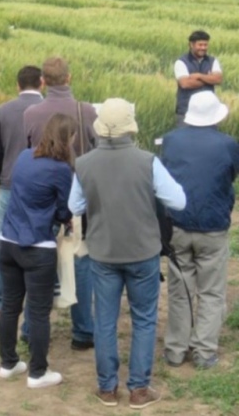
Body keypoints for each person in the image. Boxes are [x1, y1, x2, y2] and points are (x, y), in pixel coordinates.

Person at [69, 98, 186, 409]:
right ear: (129, 127)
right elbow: (178, 201)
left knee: (104, 320)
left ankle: (107, 388)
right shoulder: (148, 161)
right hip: (142, 251)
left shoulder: (84, 163)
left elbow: (74, 207)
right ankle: (138, 389)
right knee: (144, 319)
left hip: (103, 252)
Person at [161, 91, 239, 370]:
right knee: (211, 291)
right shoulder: (228, 144)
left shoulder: (170, 140)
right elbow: (230, 176)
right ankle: (204, 352)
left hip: (178, 225)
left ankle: (175, 350)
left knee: (180, 289)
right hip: (213, 226)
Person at [23, 56, 97, 351]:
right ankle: (83, 332)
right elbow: (95, 151)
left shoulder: (31, 113)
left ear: (43, 81)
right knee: (80, 258)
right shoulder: (87, 111)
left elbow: (27, 151)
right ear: (69, 78)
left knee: (39, 261)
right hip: (76, 194)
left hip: (40, 197)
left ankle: (30, 329)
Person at [0, 113, 75, 389]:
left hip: (8, 241)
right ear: (69, 139)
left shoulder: (24, 156)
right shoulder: (62, 169)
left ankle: (8, 363)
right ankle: (37, 372)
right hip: (38, 247)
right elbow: (66, 209)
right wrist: (61, 218)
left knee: (10, 305)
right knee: (39, 312)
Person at [0, 66, 44, 314]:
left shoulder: (3, 110)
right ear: (41, 83)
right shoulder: (48, 111)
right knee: (41, 240)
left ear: (17, 85)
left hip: (9, 183)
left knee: (1, 239)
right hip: (42, 185)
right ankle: (38, 298)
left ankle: (0, 299)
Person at [174, 30, 222, 125]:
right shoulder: (181, 62)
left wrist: (199, 76)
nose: (203, 48)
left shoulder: (213, 61)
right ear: (191, 45)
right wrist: (209, 79)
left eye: (205, 45)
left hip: (208, 112)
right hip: (186, 112)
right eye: (200, 45)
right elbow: (185, 84)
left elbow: (218, 79)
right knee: (186, 139)